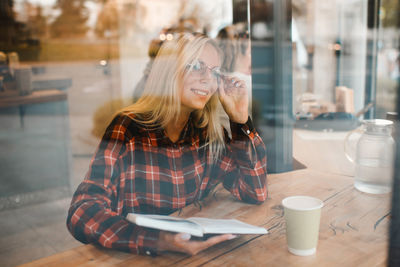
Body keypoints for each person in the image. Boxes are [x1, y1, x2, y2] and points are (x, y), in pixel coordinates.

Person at [67, 32, 267, 256]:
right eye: (196, 66)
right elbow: (81, 211)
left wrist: (241, 121)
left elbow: (255, 191)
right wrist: (157, 241)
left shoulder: (206, 134)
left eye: (215, 72)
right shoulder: (128, 129)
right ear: (169, 72)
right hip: (138, 258)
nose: (207, 80)